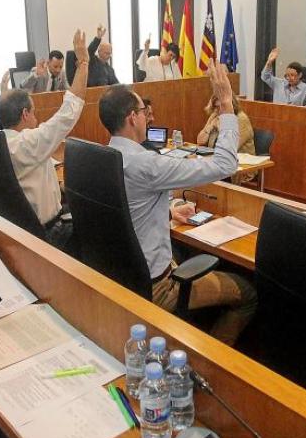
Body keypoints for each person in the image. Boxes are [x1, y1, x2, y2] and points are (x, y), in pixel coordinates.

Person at [99, 61, 258, 346]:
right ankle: (214, 361)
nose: (148, 117)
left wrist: (168, 211)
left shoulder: (107, 157)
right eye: (144, 112)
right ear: (132, 118)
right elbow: (225, 164)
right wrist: (226, 105)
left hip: (123, 278)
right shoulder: (146, 164)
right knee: (248, 293)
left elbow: (127, 211)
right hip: (159, 286)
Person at [0, 29, 89, 253]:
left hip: (22, 233)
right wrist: (84, 63)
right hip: (51, 233)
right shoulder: (27, 143)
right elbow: (69, 111)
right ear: (25, 114)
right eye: (34, 112)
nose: (36, 118)